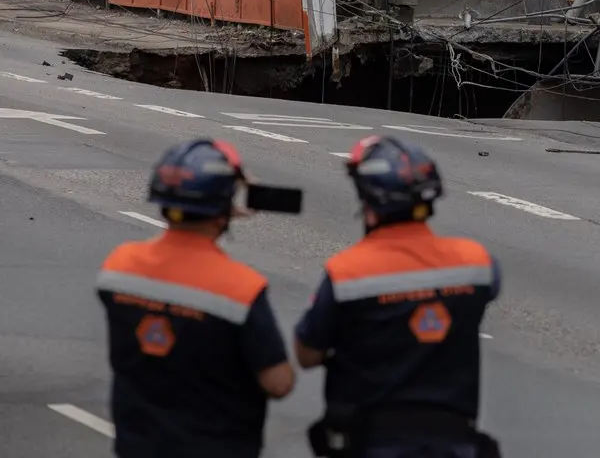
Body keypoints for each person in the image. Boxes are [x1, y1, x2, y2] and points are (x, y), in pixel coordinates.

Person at [295, 135, 501, 458]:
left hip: (372, 442)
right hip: (455, 444)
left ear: (368, 202)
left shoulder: (347, 274)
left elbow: (306, 354)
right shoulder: (477, 264)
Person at [96, 139, 295, 458]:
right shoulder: (240, 288)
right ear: (226, 206)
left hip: (138, 445)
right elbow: (279, 383)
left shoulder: (118, 267)